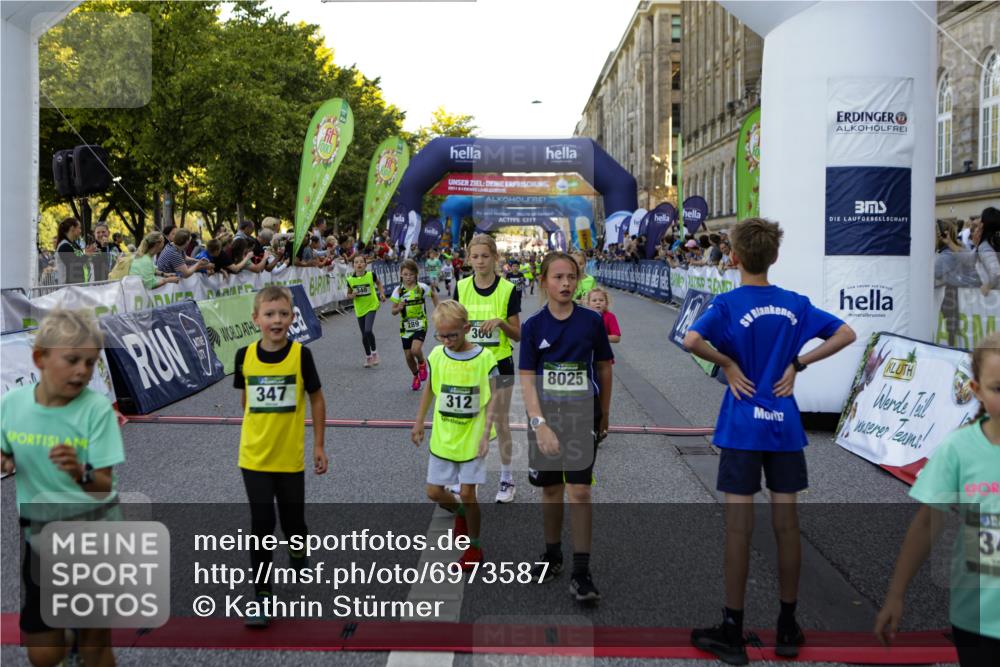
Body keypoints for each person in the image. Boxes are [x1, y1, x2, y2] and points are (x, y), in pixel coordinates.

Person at [683, 217, 857, 664]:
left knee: (738, 531)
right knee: (787, 528)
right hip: (783, 426)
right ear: (774, 257)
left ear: (734, 257)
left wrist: (729, 364)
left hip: (742, 427)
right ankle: (786, 625)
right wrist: (799, 363)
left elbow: (691, 339)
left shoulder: (727, 303)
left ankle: (732, 629)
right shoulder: (795, 304)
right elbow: (846, 333)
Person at [1, 310, 124, 667]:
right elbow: (4, 453)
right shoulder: (10, 406)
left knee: (95, 647)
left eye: (90, 362)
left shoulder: (96, 411)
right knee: (43, 655)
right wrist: (5, 459)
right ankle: (66, 637)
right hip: (40, 540)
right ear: (40, 357)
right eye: (72, 360)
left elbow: (103, 486)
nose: (82, 371)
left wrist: (79, 472)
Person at [874, 332, 999, 667]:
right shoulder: (958, 448)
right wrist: (896, 595)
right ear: (976, 391)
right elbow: (928, 521)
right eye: (998, 388)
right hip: (979, 618)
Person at [519, 252, 613, 603]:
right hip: (545, 415)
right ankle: (552, 554)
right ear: (543, 282)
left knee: (580, 490)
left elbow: (604, 367)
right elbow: (527, 380)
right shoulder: (533, 326)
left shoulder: (591, 321)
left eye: (571, 277)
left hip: (581, 415)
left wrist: (604, 412)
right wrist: (538, 424)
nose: (565, 284)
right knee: (551, 490)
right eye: (557, 277)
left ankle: (581, 571)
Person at [233, 286, 327, 627]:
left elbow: (316, 398)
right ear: (256, 318)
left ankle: (298, 552)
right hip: (254, 457)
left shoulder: (301, 355)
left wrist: (318, 445)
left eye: (283, 314)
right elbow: (245, 401)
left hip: (290, 458)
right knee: (261, 525)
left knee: (293, 525)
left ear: (292, 317)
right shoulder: (244, 356)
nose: (276, 320)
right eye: (269, 314)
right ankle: (262, 596)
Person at [411, 300, 498, 570]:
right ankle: (458, 512)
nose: (447, 340)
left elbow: (495, 397)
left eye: (453, 335)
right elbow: (430, 389)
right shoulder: (437, 355)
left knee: (469, 493)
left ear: (466, 328)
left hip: (473, 436)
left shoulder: (485, 359)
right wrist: (419, 422)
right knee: (434, 492)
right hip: (444, 435)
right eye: (441, 335)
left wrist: (486, 432)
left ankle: (474, 548)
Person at [454, 234, 521, 503]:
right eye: (475, 256)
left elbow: (517, 334)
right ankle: (465, 480)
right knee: (468, 420)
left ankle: (507, 479)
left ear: (495, 258)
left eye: (485, 256)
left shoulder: (508, 290)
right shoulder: (461, 287)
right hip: (470, 364)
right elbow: (456, 323)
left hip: (499, 363)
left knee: (500, 422)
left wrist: (500, 323)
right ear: (469, 258)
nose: (480, 261)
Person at [391, 259, 440, 390]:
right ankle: (415, 375)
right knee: (408, 356)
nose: (408, 277)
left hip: (420, 323)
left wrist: (438, 310)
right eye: (405, 274)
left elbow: (434, 295)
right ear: (401, 274)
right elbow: (393, 311)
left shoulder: (421, 288)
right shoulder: (398, 291)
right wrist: (398, 308)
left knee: (415, 350)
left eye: (411, 274)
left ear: (416, 274)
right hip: (405, 327)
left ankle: (422, 363)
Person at [346, 254, 386, 367]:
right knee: (363, 334)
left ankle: (375, 353)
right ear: (353, 265)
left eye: (361, 262)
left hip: (372, 305)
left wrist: (382, 294)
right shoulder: (350, 280)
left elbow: (378, 283)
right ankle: (368, 357)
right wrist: (352, 295)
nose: (359, 264)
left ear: (365, 264)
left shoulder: (371, 275)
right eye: (356, 262)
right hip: (359, 308)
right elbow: (348, 295)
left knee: (368, 330)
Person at [55, 217, 96, 284]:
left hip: (77, 287)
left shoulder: (73, 244)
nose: (80, 231)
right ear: (72, 228)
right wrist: (86, 255)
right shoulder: (64, 246)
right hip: (69, 288)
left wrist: (86, 251)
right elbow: (74, 264)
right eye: (79, 228)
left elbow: (79, 257)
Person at [973, 206, 1000, 295]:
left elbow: (996, 273)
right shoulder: (994, 242)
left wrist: (988, 286)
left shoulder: (985, 246)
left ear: (983, 224)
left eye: (981, 219)